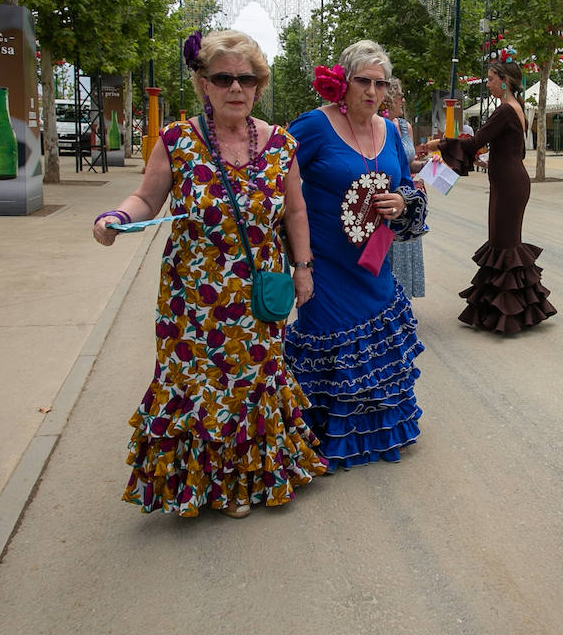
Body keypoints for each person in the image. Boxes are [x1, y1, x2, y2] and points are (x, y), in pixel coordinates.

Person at [92, 29, 327, 518]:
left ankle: (255, 477)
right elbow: (146, 198)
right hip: (192, 300)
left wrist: (303, 269)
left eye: (247, 79)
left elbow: (297, 212)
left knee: (253, 384)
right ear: (203, 84)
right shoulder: (178, 140)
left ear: (259, 85)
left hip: (259, 295)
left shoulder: (281, 144)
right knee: (200, 387)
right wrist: (116, 217)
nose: (236, 88)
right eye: (223, 78)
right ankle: (211, 486)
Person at [285, 39, 427, 468]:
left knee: (377, 347)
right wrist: (298, 262)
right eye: (363, 81)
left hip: (374, 262)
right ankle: (328, 435)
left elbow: (405, 182)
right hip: (324, 265)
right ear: (343, 83)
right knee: (330, 345)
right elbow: (273, 176)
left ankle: (378, 433)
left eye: (380, 83)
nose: (371, 91)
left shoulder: (390, 131)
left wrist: (401, 202)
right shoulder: (313, 126)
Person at [423, 58, 556, 334]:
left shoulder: (506, 110)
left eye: (492, 79)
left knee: (504, 244)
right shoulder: (515, 108)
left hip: (509, 184)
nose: (488, 83)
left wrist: (438, 143)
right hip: (509, 180)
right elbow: (513, 151)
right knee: (503, 243)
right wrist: (491, 160)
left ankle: (509, 314)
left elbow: (474, 142)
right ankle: (509, 308)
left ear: (504, 81)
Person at [384, 76, 427, 298]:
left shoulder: (404, 126)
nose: (403, 99)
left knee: (405, 248)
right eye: (399, 95)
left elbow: (409, 163)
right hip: (387, 197)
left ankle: (402, 299)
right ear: (389, 98)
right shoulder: (377, 126)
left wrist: (428, 164)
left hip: (407, 196)